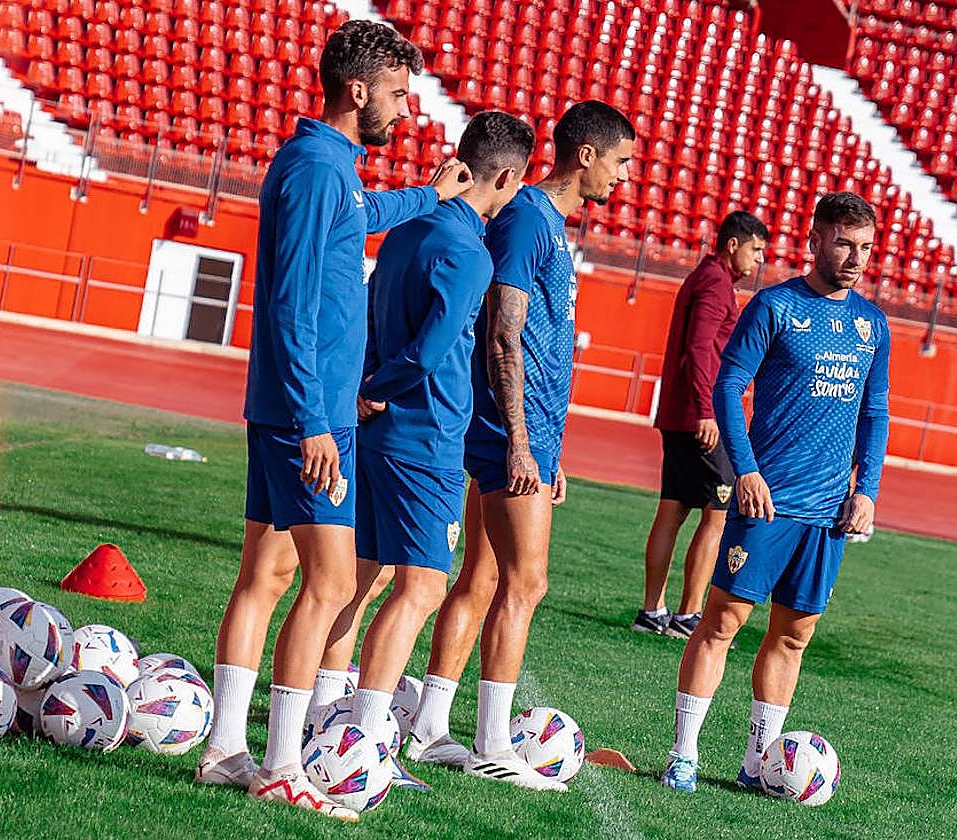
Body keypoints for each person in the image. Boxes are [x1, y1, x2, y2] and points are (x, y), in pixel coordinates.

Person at [194, 20, 472, 823]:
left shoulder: (330, 165)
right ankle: (282, 761)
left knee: (267, 576)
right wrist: (317, 421)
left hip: (297, 407)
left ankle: (223, 751)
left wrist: (433, 194)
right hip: (305, 418)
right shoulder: (318, 167)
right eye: (395, 94)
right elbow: (285, 305)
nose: (403, 110)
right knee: (333, 581)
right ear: (357, 91)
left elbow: (364, 213)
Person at [406, 101, 636, 791]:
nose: (623, 178)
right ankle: (491, 744)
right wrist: (522, 443)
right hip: (510, 432)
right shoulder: (530, 219)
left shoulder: (545, 224)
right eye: (620, 162)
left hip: (526, 433)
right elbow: (503, 334)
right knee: (526, 582)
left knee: (479, 579)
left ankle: (427, 728)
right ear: (586, 156)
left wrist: (548, 447)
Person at [315, 112, 536, 782]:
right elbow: (435, 349)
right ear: (506, 178)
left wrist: (366, 387)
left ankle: (322, 717)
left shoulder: (410, 227)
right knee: (420, 587)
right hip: (426, 436)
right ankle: (363, 741)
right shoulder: (471, 253)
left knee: (362, 578)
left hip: (379, 435)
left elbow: (372, 309)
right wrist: (380, 387)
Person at [660, 192, 890, 793]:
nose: (854, 258)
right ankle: (683, 754)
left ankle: (759, 763)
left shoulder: (872, 324)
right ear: (814, 240)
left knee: (793, 634)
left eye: (865, 248)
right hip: (767, 502)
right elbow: (728, 385)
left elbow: (875, 413)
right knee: (723, 622)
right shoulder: (775, 307)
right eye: (843, 243)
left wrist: (866, 489)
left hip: (828, 516)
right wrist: (747, 472)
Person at [633, 212, 769, 639]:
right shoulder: (716, 283)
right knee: (717, 511)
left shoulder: (702, 277)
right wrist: (706, 411)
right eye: (756, 249)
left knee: (672, 508)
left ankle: (651, 611)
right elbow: (699, 349)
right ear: (733, 244)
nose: (759, 260)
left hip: (679, 414)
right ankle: (688, 615)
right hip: (698, 416)